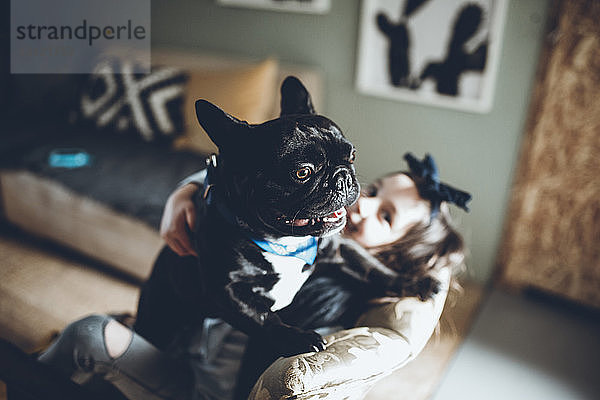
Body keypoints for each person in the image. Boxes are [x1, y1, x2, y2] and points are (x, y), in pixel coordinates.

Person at [38, 153, 471, 400]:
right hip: (185, 338)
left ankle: (27, 382)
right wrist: (188, 190)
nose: (363, 205)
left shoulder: (332, 295)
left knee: (89, 334)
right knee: (93, 335)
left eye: (386, 216)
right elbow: (250, 181)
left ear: (393, 253)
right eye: (373, 190)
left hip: (201, 389)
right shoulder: (307, 229)